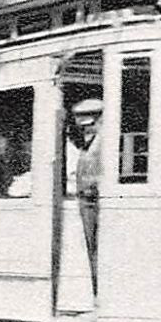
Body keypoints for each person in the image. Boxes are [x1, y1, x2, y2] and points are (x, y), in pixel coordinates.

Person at [70, 98, 104, 297]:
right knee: (89, 249)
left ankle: (98, 290)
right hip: (86, 200)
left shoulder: (102, 142)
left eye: (90, 123)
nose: (85, 129)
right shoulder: (88, 143)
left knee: (96, 249)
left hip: (95, 200)